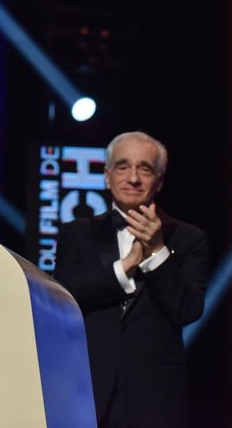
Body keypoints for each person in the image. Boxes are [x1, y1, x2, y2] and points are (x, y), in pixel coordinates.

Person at [54, 131, 209, 428]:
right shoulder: (76, 233)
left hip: (156, 397)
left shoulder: (190, 238)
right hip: (88, 389)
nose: (133, 178)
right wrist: (124, 267)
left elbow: (188, 310)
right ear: (107, 176)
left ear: (159, 181)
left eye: (145, 169)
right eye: (123, 167)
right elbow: (64, 296)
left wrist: (158, 252)